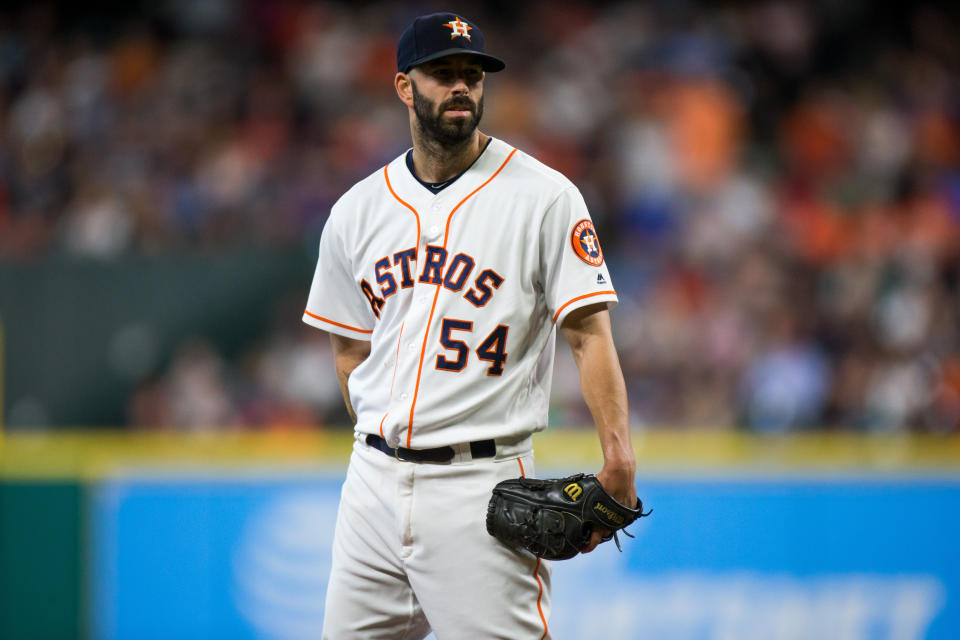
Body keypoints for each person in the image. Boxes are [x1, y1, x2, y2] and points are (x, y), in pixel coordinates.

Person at [302, 12, 636, 639]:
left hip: (479, 485)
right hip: (370, 484)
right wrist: (388, 437)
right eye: (443, 73)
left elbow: (589, 335)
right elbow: (349, 347)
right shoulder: (356, 211)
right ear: (405, 87)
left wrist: (618, 457)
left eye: (472, 74)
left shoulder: (545, 196)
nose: (462, 86)